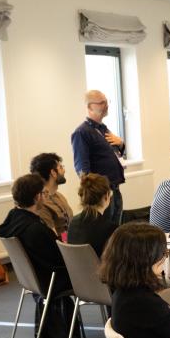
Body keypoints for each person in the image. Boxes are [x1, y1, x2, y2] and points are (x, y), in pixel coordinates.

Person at [0, 174, 72, 297]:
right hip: (51, 281)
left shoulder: (12, 220)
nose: (46, 196)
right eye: (44, 193)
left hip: (31, 279)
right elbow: (60, 259)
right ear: (38, 197)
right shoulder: (36, 229)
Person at [71, 90, 125, 225]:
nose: (106, 105)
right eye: (101, 103)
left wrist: (121, 144)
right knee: (103, 231)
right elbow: (82, 169)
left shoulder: (103, 129)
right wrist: (96, 194)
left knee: (115, 230)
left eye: (106, 102)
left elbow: (114, 155)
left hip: (114, 189)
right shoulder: (81, 133)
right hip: (101, 195)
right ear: (90, 107)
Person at [67, 173, 118, 257]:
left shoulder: (73, 222)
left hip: (75, 266)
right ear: (106, 196)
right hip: (101, 266)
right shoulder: (111, 229)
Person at [30, 153, 73, 235]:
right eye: (61, 167)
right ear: (53, 172)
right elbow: (53, 236)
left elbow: (66, 227)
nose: (64, 170)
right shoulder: (41, 204)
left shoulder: (59, 196)